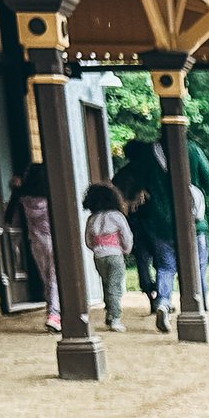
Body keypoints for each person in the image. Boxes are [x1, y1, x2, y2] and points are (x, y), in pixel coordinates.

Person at [115, 138, 177, 333]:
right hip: (154, 221)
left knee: (142, 260)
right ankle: (161, 299)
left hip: (132, 222)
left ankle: (150, 294)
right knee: (163, 263)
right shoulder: (153, 170)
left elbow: (114, 195)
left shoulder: (123, 174)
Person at [15, 163, 60, 333]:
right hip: (53, 241)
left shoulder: (25, 200)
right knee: (55, 279)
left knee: (47, 280)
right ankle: (54, 315)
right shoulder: (51, 200)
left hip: (36, 243)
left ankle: (52, 312)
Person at [82, 182, 133, 331]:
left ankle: (109, 314)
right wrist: (126, 249)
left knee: (106, 284)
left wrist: (97, 248)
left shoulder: (92, 219)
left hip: (99, 256)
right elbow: (126, 236)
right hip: (115, 254)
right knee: (114, 287)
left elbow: (88, 241)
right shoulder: (117, 216)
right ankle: (115, 317)